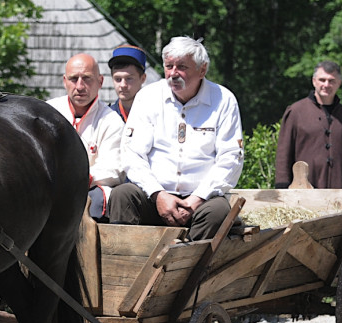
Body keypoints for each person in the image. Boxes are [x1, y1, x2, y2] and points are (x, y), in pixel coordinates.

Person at [108, 36, 244, 241]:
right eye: (169, 66)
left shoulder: (224, 100)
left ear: (202, 69)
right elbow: (132, 153)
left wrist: (196, 199)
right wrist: (158, 194)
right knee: (122, 195)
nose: (173, 73)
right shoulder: (148, 97)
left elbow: (231, 158)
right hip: (155, 197)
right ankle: (124, 264)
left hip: (202, 201)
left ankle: (190, 269)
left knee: (218, 212)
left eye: (182, 67)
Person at [46, 53, 125, 221]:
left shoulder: (111, 121)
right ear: (64, 81)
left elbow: (113, 169)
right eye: (74, 79)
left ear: (100, 82)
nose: (80, 86)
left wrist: (76, 179)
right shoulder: (48, 111)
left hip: (90, 190)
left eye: (87, 79)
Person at [274, 62, 342, 189]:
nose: (326, 85)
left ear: (339, 83)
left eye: (331, 81)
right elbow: (284, 153)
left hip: (341, 191)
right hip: (303, 190)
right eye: (322, 80)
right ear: (314, 81)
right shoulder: (296, 112)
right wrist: (282, 189)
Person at [107, 44, 148, 121]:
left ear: (143, 78)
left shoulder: (155, 115)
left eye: (129, 78)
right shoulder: (105, 118)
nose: (123, 85)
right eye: (118, 79)